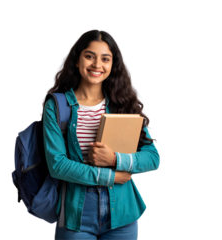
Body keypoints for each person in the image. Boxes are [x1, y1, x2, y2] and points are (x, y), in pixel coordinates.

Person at [40, 29, 162, 240]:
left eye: (105, 59)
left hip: (123, 212)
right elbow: (57, 165)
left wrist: (115, 159)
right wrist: (112, 176)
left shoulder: (123, 104)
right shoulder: (58, 106)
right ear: (77, 60)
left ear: (112, 65)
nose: (97, 65)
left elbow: (154, 157)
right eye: (90, 56)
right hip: (76, 215)